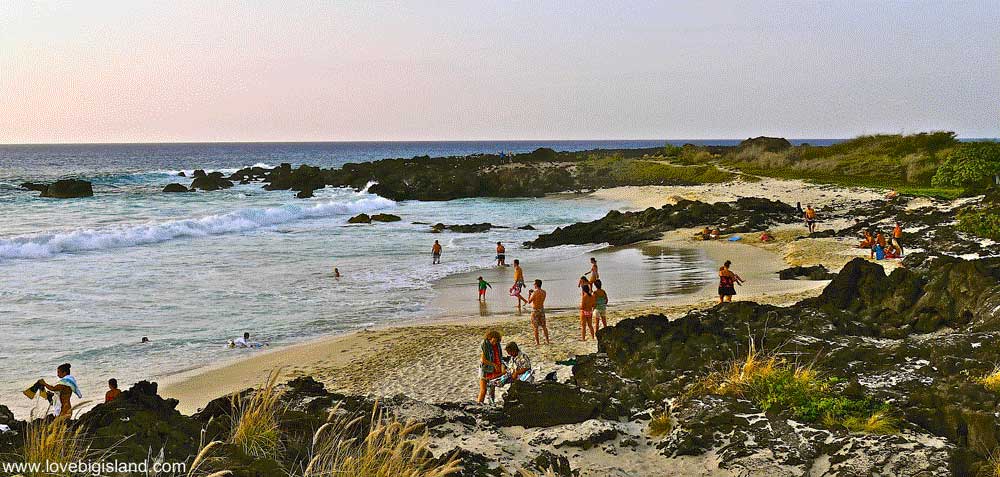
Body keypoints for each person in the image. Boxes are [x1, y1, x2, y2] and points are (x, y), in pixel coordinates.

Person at [478, 330, 504, 403]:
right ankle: (479, 405)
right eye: (493, 341)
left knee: (492, 389)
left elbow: (499, 357)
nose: (494, 343)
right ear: (489, 338)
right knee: (483, 390)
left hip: (493, 370)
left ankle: (491, 404)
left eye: (496, 341)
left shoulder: (497, 345)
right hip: (485, 369)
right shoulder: (485, 345)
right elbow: (483, 360)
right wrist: (494, 365)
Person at [527, 279, 550, 345]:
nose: (534, 285)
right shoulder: (544, 292)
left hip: (535, 310)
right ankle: (547, 340)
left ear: (536, 284)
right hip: (541, 309)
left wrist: (529, 294)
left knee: (535, 327)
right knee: (544, 326)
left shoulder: (535, 293)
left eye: (534, 284)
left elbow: (529, 301)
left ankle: (537, 342)